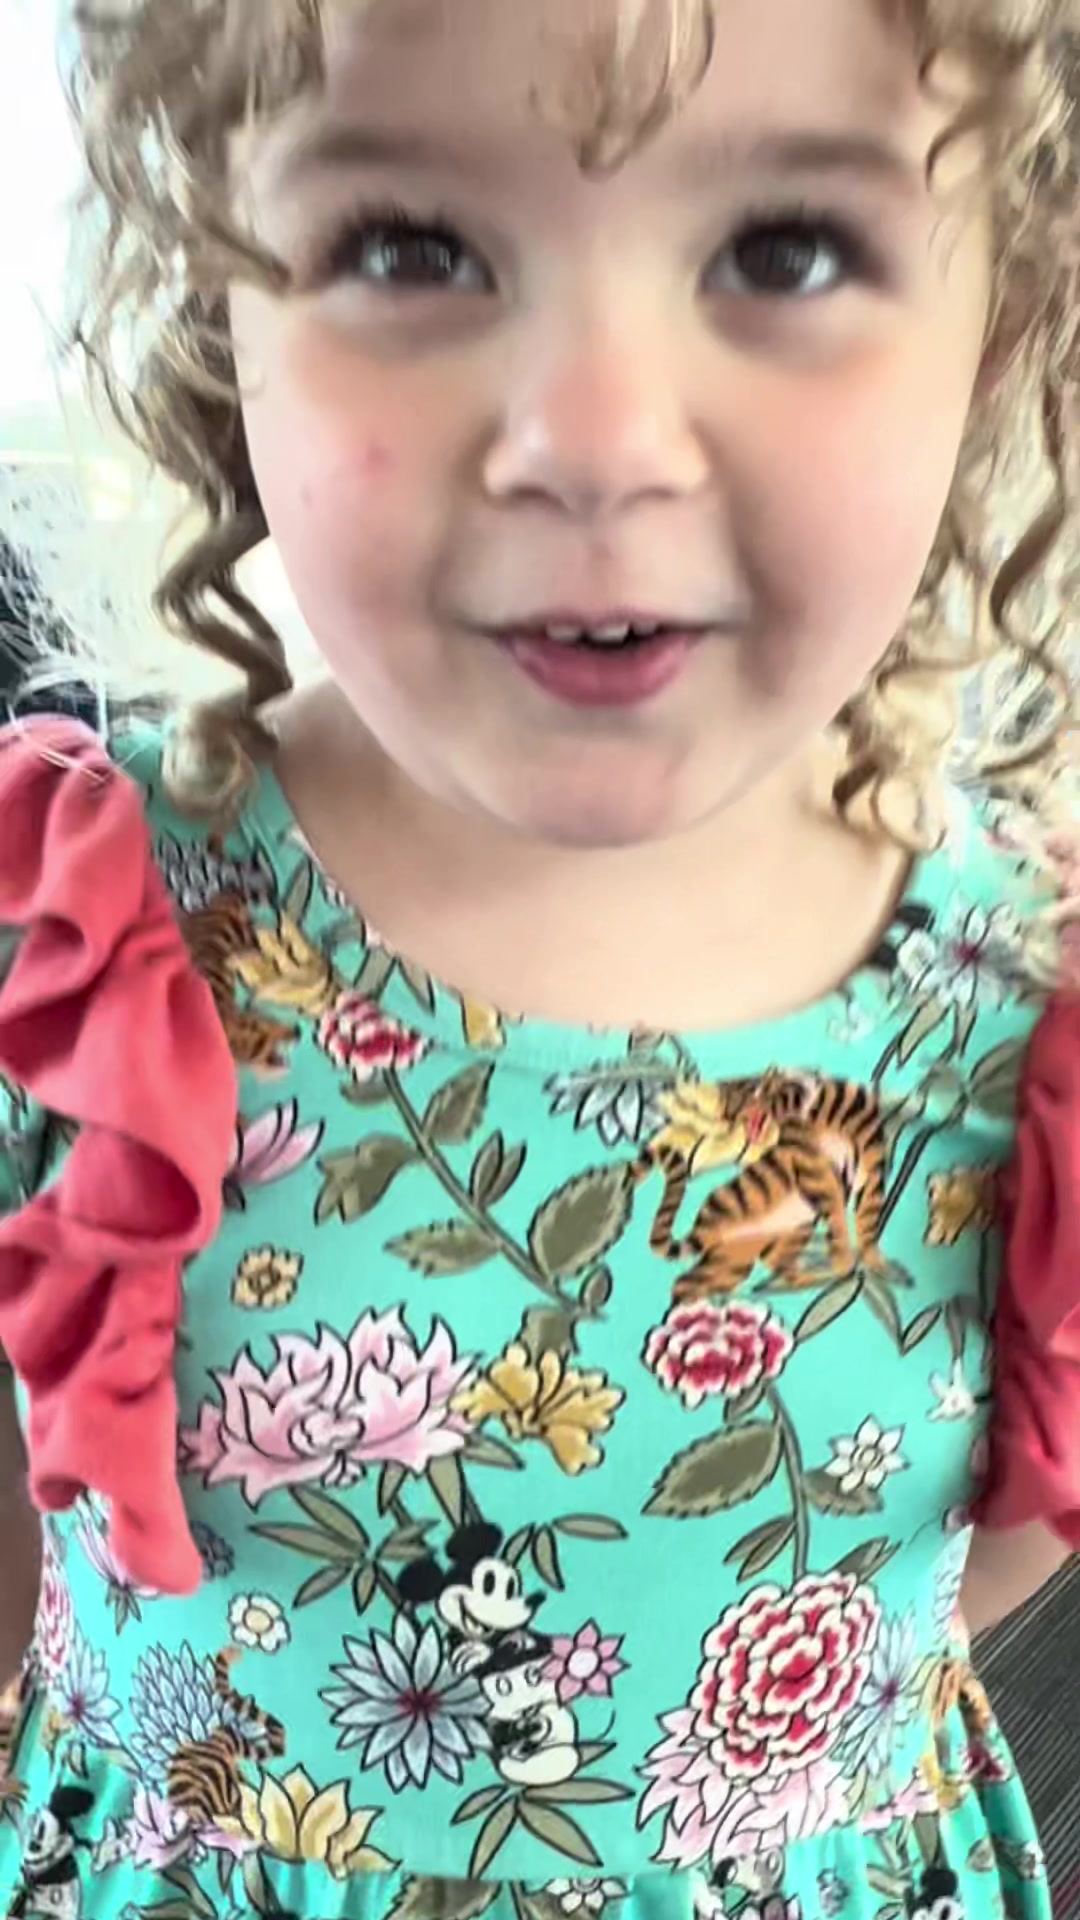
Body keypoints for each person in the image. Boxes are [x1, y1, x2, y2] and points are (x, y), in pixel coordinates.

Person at [0, 3, 1077, 1918]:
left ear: (1004, 322)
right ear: (212, 297)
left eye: (784, 252)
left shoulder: (1027, 1006)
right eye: (414, 246)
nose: (593, 440)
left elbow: (975, 1556)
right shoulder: (78, 948)